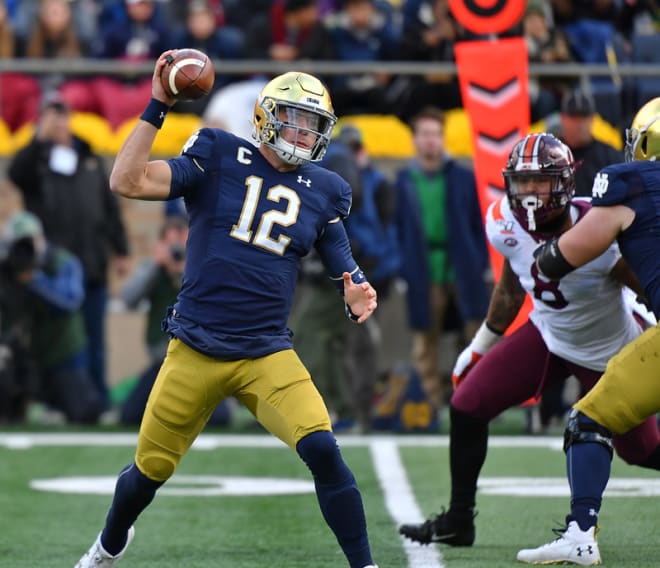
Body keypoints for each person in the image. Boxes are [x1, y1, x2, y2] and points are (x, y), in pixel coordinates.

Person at [74, 52, 379, 568]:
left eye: (314, 125)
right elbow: (127, 181)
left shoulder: (323, 188)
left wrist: (356, 288)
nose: (304, 134)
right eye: (295, 120)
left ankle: (364, 565)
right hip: (195, 347)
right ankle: (108, 544)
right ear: (265, 116)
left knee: (324, 449)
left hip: (266, 353)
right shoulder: (218, 154)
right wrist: (158, 104)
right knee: (148, 472)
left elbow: (341, 256)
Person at [398, 132, 660, 555]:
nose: (532, 192)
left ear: (566, 182)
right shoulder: (503, 220)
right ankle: (459, 519)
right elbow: (511, 287)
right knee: (466, 406)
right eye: (523, 182)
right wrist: (481, 343)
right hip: (548, 335)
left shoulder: (602, 225)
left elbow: (645, 284)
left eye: (541, 181)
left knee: (644, 451)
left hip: (605, 350)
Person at [517, 99, 660, 565]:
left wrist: (543, 254)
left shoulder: (631, 182)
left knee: (588, 419)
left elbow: (559, 259)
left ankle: (581, 533)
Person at [7, 92, 131, 411]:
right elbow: (15, 175)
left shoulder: (87, 156)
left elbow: (109, 207)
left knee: (95, 338)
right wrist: (39, 140)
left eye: (62, 114)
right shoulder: (37, 159)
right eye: (51, 114)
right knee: (57, 341)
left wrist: (121, 249)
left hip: (91, 261)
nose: (58, 121)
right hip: (55, 269)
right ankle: (55, 401)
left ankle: (98, 401)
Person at [394, 106, 490, 419]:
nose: (431, 141)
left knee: (476, 334)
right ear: (415, 139)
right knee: (425, 340)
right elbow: (397, 227)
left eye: (436, 134)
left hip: (462, 265)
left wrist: (480, 261)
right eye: (425, 134)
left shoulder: (462, 177)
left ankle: (478, 399)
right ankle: (432, 403)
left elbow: (479, 224)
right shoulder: (404, 181)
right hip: (424, 269)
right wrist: (402, 266)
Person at [0, 210, 103, 424]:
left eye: (29, 243)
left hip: (63, 356)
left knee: (84, 412)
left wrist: (34, 280)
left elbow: (70, 302)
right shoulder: (8, 269)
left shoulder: (63, 262)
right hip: (24, 356)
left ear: (40, 239)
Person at [557, 89, 624, 197]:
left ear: (593, 119)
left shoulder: (610, 156)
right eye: (573, 117)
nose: (579, 124)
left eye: (583, 117)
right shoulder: (551, 154)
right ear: (562, 118)